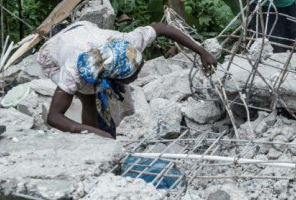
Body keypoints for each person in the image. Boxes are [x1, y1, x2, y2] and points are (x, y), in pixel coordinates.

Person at [37, 20, 217, 138]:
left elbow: (162, 28)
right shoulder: (72, 70)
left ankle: (96, 133)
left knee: (94, 95)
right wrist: (94, 133)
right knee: (88, 97)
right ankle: (91, 140)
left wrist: (202, 52)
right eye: (132, 77)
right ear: (114, 78)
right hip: (52, 54)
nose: (137, 77)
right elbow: (54, 117)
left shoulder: (128, 43)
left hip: (83, 29)